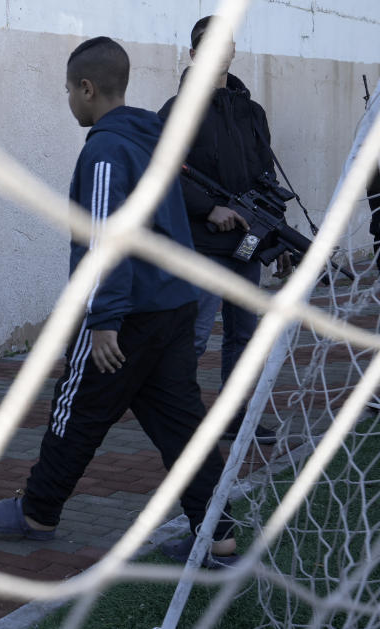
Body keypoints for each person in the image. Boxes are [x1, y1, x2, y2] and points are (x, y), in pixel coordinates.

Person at [0, 36, 238, 567]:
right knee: (182, 424)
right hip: (172, 306)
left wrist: (103, 319)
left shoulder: (104, 150)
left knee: (75, 410)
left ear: (87, 88)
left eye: (70, 89)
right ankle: (219, 536)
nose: (69, 99)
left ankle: (37, 513)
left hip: (128, 316)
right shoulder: (151, 139)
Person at [158, 16, 283, 443]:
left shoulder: (252, 112)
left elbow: (265, 176)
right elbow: (161, 173)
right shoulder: (176, 111)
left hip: (247, 243)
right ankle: (182, 420)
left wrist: (277, 233)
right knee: (192, 337)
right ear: (193, 54)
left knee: (243, 335)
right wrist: (208, 207)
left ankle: (233, 419)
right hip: (200, 243)